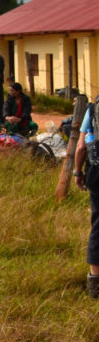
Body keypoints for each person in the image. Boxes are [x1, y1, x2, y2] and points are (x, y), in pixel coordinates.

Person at [73, 97, 99, 298]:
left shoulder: (93, 109)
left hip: (97, 172)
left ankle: (95, 282)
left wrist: (77, 172)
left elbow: (81, 146)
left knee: (98, 225)